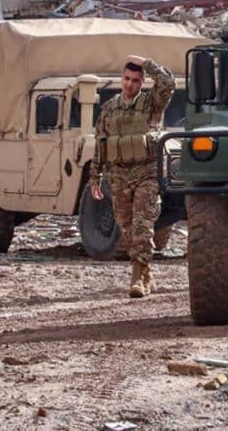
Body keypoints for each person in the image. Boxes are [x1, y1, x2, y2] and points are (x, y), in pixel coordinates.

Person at [89, 55, 175, 298]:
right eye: (126, 79)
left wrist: (146, 61)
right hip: (119, 176)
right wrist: (95, 178)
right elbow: (100, 145)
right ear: (121, 79)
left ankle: (137, 278)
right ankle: (146, 271)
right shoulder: (108, 109)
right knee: (126, 227)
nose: (129, 84)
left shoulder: (152, 104)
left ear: (142, 82)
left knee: (142, 225)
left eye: (135, 80)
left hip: (146, 174)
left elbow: (167, 82)